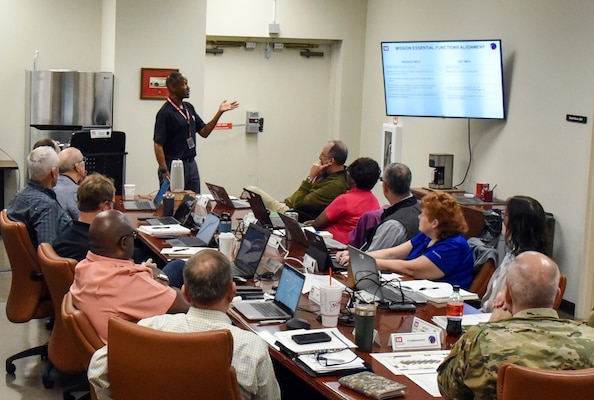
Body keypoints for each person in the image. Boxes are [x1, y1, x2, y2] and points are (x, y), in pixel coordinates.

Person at [88, 249, 281, 400]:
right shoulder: (253, 348)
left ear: (185, 294)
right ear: (232, 291)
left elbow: (97, 370)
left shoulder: (149, 327)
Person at [437, 251, 594, 400]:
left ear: (507, 295)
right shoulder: (590, 338)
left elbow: (448, 389)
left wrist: (492, 325)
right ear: (558, 296)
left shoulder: (481, 341)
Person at [69, 209, 189, 343]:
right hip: (134, 350)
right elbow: (183, 306)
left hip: (115, 326)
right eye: (134, 235)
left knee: (177, 265)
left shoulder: (83, 267)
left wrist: (145, 272)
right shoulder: (125, 282)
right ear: (124, 243)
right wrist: (159, 278)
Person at [52, 172, 186, 287]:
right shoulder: (97, 244)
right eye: (113, 204)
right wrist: (144, 270)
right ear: (105, 207)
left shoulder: (67, 234)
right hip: (125, 292)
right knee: (179, 265)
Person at [338, 191, 473, 289]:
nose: (419, 217)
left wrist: (365, 261)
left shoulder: (454, 246)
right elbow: (391, 253)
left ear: (435, 223)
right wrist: (356, 255)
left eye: (423, 214)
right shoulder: (428, 235)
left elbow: (411, 268)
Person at [154, 71, 239, 194]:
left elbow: (204, 132)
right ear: (172, 88)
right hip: (173, 166)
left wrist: (219, 112)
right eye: (184, 84)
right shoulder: (165, 113)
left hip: (191, 164)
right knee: (172, 204)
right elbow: (158, 144)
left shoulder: (189, 107)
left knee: (194, 203)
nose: (188, 87)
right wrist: (164, 170)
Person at [245, 140, 349, 220]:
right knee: (252, 195)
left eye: (322, 155)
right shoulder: (327, 176)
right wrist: (317, 177)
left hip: (294, 217)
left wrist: (310, 177)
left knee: (252, 190)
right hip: (292, 211)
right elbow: (291, 201)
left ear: (330, 161)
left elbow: (297, 204)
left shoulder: (335, 185)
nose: (319, 157)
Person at [481, 195, 547, 312]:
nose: (503, 219)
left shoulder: (526, 266)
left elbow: (504, 307)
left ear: (516, 224)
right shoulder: (513, 254)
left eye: (505, 214)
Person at [7, 146, 72, 247]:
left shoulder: (19, 197)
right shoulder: (46, 207)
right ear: (54, 172)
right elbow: (47, 251)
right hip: (66, 259)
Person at [308, 157, 381, 244]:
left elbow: (318, 224)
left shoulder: (345, 200)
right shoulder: (375, 201)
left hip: (334, 246)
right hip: (356, 249)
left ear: (352, 179)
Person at [354, 162, 421, 251]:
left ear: (385, 186)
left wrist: (352, 257)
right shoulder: (423, 209)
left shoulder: (393, 225)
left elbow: (370, 260)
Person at [53, 146, 87, 220]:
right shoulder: (75, 192)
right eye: (83, 160)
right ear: (77, 166)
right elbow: (84, 221)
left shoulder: (51, 186)